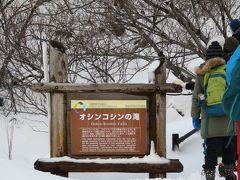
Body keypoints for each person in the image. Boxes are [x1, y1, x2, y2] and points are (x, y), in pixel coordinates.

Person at [191, 39, 236, 180]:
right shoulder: (228, 69)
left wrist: (195, 117)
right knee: (229, 148)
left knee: (210, 151)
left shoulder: (202, 73)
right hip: (228, 118)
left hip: (209, 119)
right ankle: (229, 174)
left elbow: (196, 98)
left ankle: (209, 175)